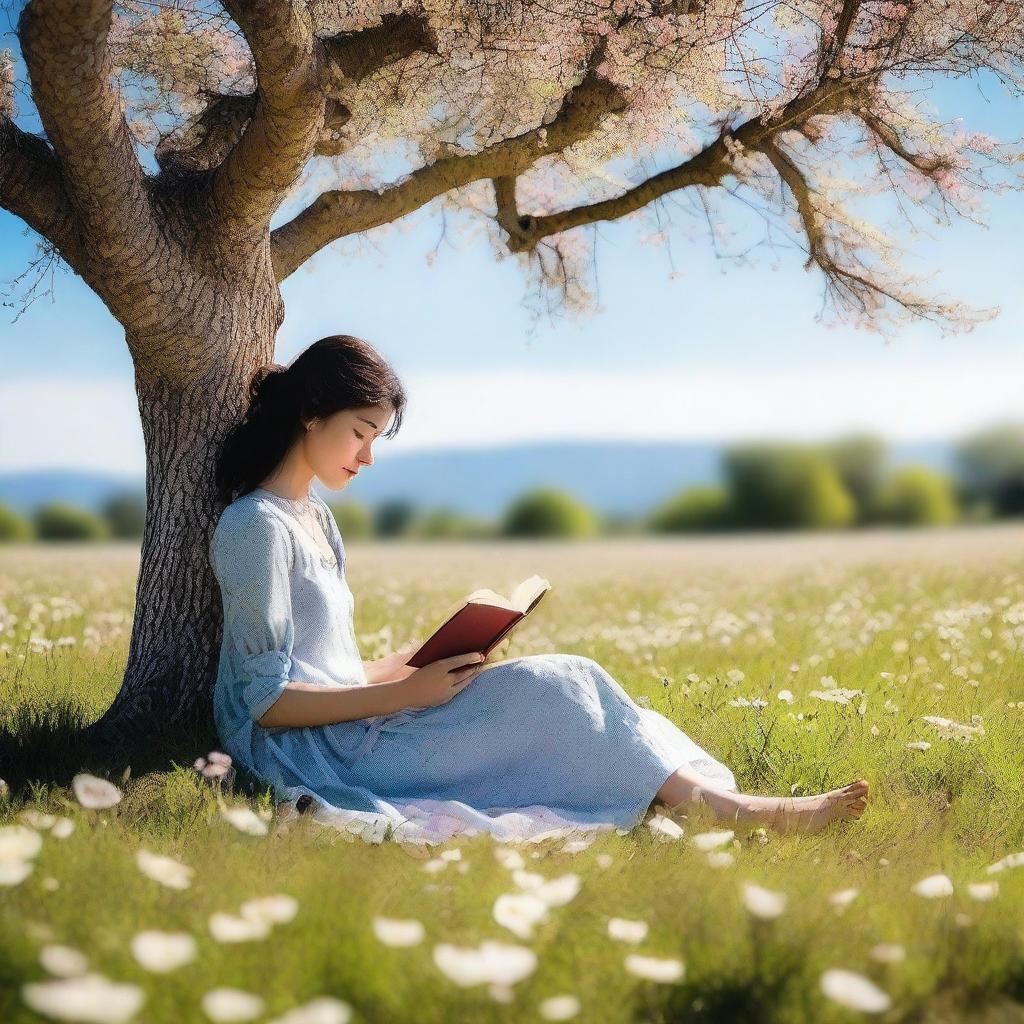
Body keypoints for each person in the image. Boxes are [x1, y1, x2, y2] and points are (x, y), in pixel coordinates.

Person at [210, 335, 869, 846]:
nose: (367, 456)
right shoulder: (255, 528)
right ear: (309, 413)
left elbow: (333, 669)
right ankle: (740, 812)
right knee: (559, 687)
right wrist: (406, 692)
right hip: (324, 754)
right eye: (360, 432)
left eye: (375, 438)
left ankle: (711, 803)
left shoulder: (315, 517)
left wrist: (421, 659)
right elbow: (264, 703)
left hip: (361, 718)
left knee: (566, 683)